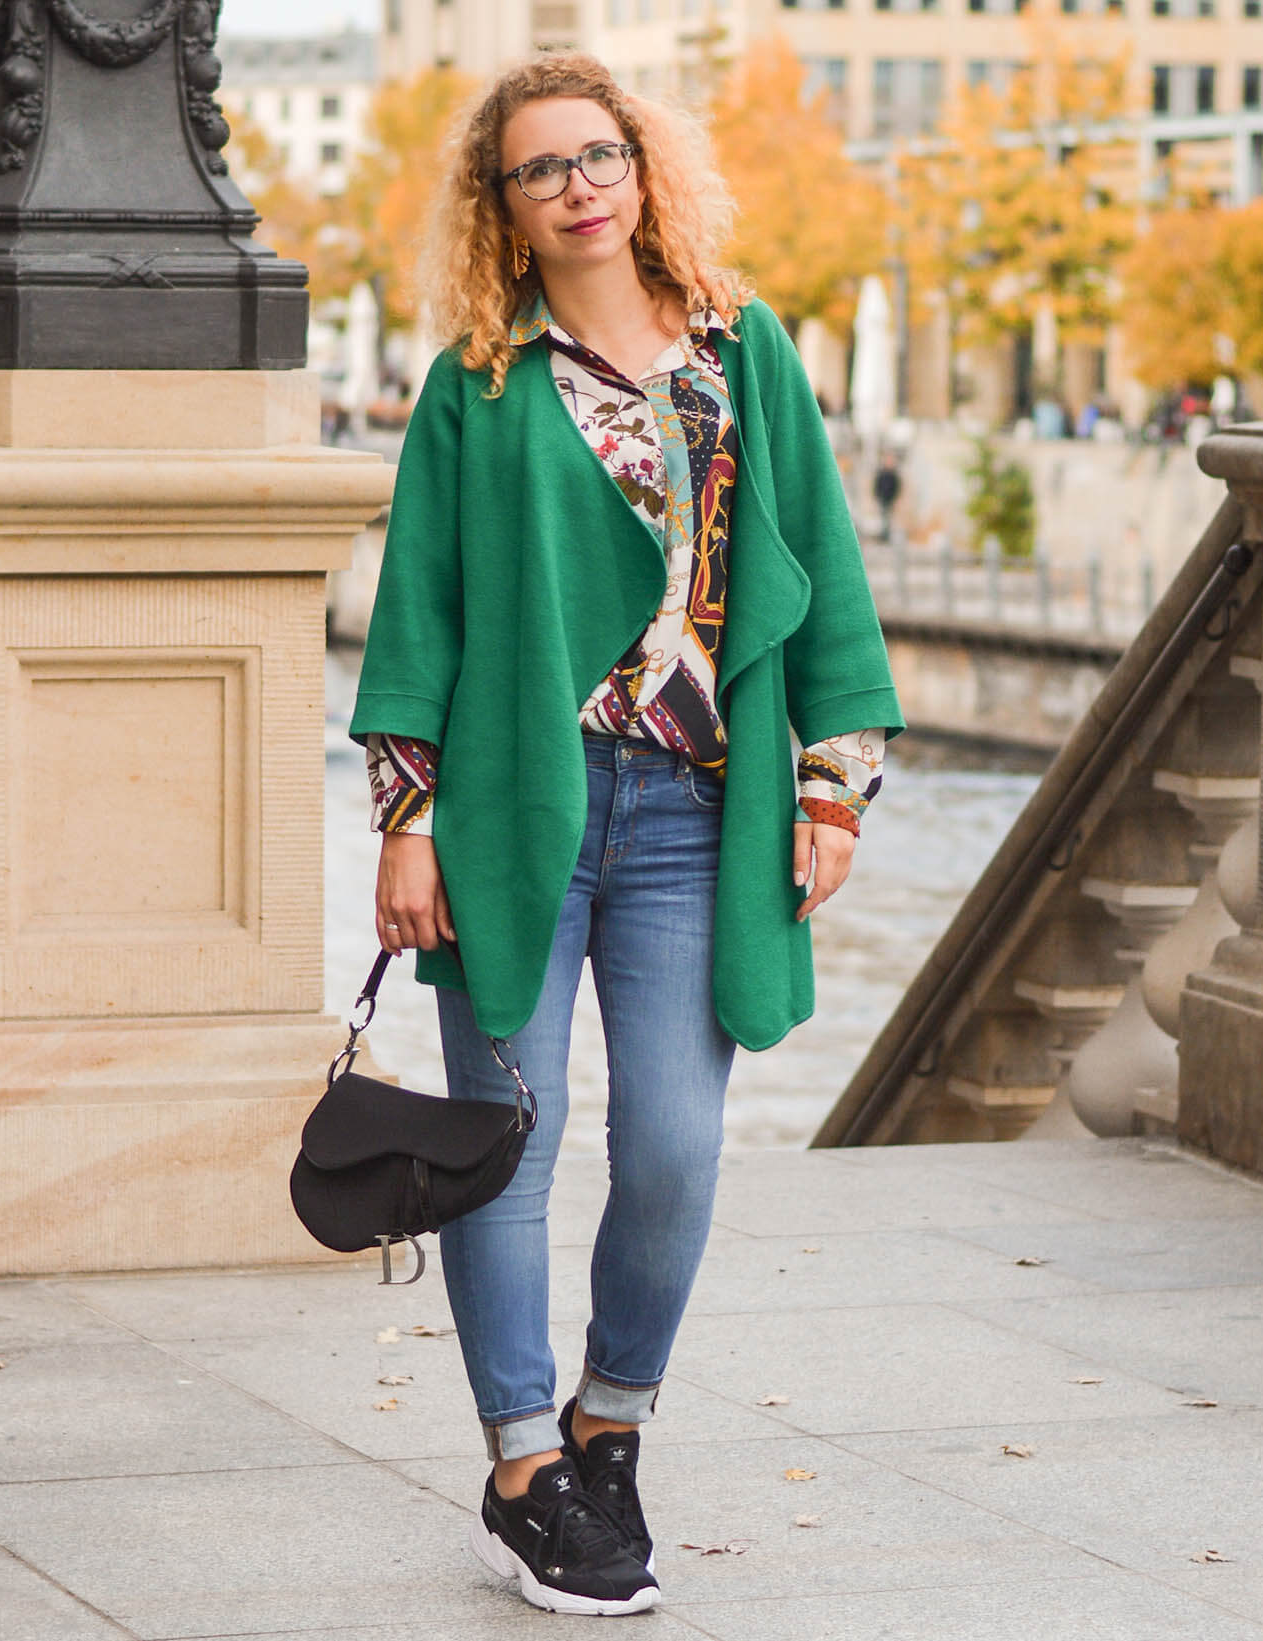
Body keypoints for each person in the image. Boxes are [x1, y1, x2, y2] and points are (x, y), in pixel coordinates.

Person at [349, 53, 902, 1617]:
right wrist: (408, 820)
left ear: (642, 171)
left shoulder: (744, 350)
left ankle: (610, 1424)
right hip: (518, 807)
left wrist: (831, 787)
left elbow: (829, 575)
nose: (581, 184)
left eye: (601, 154)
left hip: (694, 817)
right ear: (504, 207)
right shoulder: (476, 378)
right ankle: (525, 1469)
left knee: (670, 1145)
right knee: (502, 1152)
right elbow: (421, 615)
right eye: (542, 169)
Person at [872, 449, 902, 540]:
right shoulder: (882, 472)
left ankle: (886, 535)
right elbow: (877, 484)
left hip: (890, 499)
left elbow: (897, 487)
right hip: (882, 498)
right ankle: (883, 534)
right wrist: (876, 495)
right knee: (882, 517)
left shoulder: (894, 474)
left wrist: (895, 498)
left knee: (888, 518)